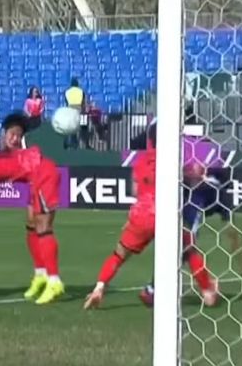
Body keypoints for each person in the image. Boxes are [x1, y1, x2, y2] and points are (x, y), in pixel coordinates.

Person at [83, 123, 218, 310]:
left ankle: (99, 288)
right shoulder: (174, 159)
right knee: (190, 250)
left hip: (142, 214)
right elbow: (193, 181)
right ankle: (207, 292)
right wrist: (200, 177)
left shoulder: (141, 161)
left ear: (150, 140)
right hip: (166, 215)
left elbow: (135, 190)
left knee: (119, 255)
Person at [0, 112, 65, 305]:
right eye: (12, 134)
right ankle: (40, 274)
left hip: (45, 175)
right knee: (31, 224)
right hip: (35, 177)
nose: (15, 139)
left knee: (43, 227)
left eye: (18, 136)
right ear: (3, 133)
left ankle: (54, 280)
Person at [63, 78, 84, 149]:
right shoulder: (81, 91)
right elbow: (83, 103)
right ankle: (75, 143)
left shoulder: (67, 92)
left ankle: (67, 142)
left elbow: (66, 102)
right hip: (78, 110)